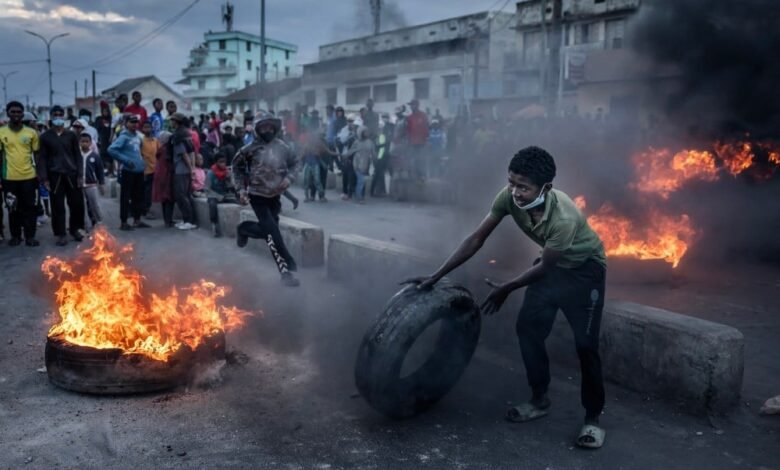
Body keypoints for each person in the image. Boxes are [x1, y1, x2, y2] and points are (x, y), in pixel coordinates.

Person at [405, 146, 608, 449]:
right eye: (512, 182)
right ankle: (539, 399)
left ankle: (592, 419)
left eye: (523, 187)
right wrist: (436, 275)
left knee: (585, 346)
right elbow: (476, 239)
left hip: (584, 273)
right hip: (548, 268)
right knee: (528, 330)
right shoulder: (508, 196)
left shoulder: (562, 217)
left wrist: (506, 287)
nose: (515, 192)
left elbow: (548, 267)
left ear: (545, 188)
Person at [233, 111, 300, 287]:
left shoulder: (283, 147)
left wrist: (288, 180)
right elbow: (236, 168)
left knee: (270, 235)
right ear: (257, 129)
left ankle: (245, 228)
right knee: (273, 231)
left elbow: (295, 163)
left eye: (270, 126)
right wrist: (240, 190)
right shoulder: (249, 149)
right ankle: (288, 264)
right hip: (257, 196)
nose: (267, 129)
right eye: (263, 126)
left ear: (274, 127)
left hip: (275, 196)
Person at [38, 105, 86, 246]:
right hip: (55, 175)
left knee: (76, 204)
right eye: (55, 115)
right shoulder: (46, 137)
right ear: (51, 117)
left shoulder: (71, 135)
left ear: (64, 117)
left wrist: (80, 175)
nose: (58, 117)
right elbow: (42, 158)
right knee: (57, 206)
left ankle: (75, 229)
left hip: (71, 174)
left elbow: (77, 155)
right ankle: (60, 234)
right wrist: (44, 178)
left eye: (60, 114)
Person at [0, 101, 41, 246]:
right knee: (12, 208)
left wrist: (39, 174)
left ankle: (30, 236)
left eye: (19, 112)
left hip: (29, 177)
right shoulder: (1, 132)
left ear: (23, 114)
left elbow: (36, 154)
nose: (16, 114)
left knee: (30, 208)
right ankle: (16, 236)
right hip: (9, 178)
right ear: (8, 113)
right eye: (13, 112)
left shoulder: (31, 133)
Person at [109, 114, 149, 231]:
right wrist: (125, 160)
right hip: (128, 171)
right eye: (132, 122)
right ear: (126, 123)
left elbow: (138, 151)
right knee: (126, 197)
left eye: (136, 122)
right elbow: (111, 150)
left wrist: (142, 163)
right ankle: (124, 222)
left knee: (138, 196)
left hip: (138, 171)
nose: (135, 124)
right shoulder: (123, 136)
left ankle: (137, 220)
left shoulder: (137, 136)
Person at [168, 112, 198, 230]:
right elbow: (192, 152)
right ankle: (188, 220)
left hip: (181, 169)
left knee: (181, 195)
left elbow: (184, 154)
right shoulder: (187, 133)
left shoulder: (178, 135)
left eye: (172, 120)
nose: (171, 122)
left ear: (176, 122)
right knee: (186, 194)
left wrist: (191, 169)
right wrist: (193, 168)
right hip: (187, 168)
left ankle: (189, 221)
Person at [205, 154, 236, 237]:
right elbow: (207, 189)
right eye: (221, 162)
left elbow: (231, 187)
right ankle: (214, 225)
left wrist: (229, 179)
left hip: (224, 194)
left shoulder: (227, 171)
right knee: (212, 204)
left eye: (224, 162)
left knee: (237, 200)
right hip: (213, 195)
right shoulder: (211, 173)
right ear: (216, 163)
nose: (223, 164)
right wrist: (218, 196)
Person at [78, 132, 105, 227]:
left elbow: (100, 171)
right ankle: (85, 225)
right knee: (82, 207)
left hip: (91, 185)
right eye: (82, 142)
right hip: (80, 185)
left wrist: (101, 184)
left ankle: (99, 223)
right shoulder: (77, 156)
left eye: (86, 141)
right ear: (79, 143)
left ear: (90, 143)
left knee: (95, 205)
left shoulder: (95, 156)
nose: (84, 143)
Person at [344, 127, 375, 204]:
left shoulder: (370, 142)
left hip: (366, 164)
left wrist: (375, 161)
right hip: (357, 163)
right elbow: (350, 151)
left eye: (367, 132)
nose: (366, 134)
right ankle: (359, 197)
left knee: (361, 181)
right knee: (361, 180)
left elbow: (373, 153)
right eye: (364, 132)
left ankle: (360, 195)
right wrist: (344, 156)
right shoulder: (357, 142)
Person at [152, 131, 175, 227]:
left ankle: (167, 220)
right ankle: (169, 220)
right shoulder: (168, 150)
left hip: (160, 175)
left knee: (164, 199)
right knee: (169, 198)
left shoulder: (160, 149)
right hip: (167, 175)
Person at [406, 99, 429, 180]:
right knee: (414, 159)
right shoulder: (409, 117)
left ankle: (423, 175)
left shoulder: (423, 115)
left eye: (413, 105)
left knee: (421, 159)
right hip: (412, 143)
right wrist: (408, 141)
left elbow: (426, 129)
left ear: (417, 105)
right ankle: (415, 176)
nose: (411, 107)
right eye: (411, 105)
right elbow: (408, 130)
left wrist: (426, 140)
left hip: (422, 142)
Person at [140, 120, 159, 218]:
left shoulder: (155, 141)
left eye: (149, 127)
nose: (147, 129)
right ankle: (145, 211)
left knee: (150, 192)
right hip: (144, 170)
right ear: (142, 129)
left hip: (154, 169)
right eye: (145, 127)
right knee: (145, 192)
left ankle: (146, 209)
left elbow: (159, 154)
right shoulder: (141, 141)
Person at [371, 113, 392, 197]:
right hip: (378, 157)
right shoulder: (377, 136)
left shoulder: (383, 135)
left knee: (381, 174)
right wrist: (385, 144)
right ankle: (373, 191)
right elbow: (377, 146)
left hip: (383, 156)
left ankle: (381, 191)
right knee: (377, 174)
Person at [94, 101, 114, 176]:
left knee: (111, 157)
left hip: (111, 141)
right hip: (102, 142)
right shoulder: (98, 119)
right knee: (103, 156)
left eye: (107, 110)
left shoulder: (111, 119)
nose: (105, 112)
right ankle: (107, 171)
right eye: (104, 111)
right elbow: (96, 130)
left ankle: (111, 172)